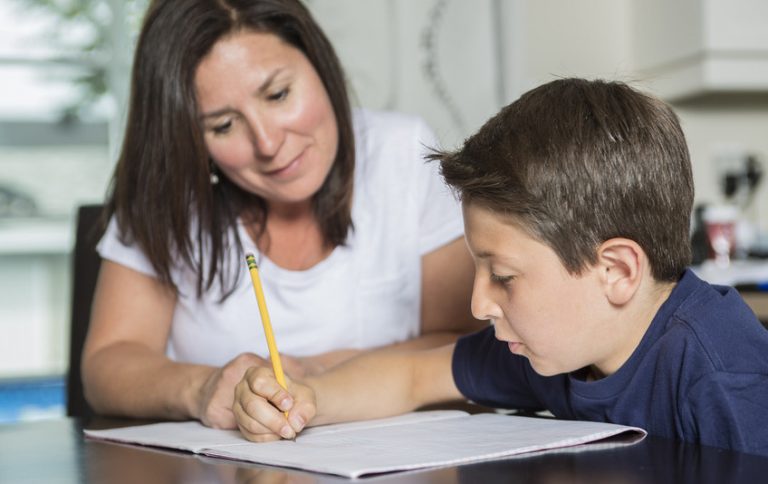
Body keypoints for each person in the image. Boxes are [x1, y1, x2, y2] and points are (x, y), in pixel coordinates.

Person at [233, 78, 768, 456]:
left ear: (617, 272)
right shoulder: (557, 344)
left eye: (503, 277)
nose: (477, 304)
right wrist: (308, 399)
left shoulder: (725, 377)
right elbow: (416, 376)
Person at [82, 0, 481, 428]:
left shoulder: (402, 152)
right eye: (223, 125)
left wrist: (319, 371)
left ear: (318, 61)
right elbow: (107, 365)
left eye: (277, 94)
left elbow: (465, 345)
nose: (268, 143)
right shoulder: (167, 192)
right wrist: (203, 388)